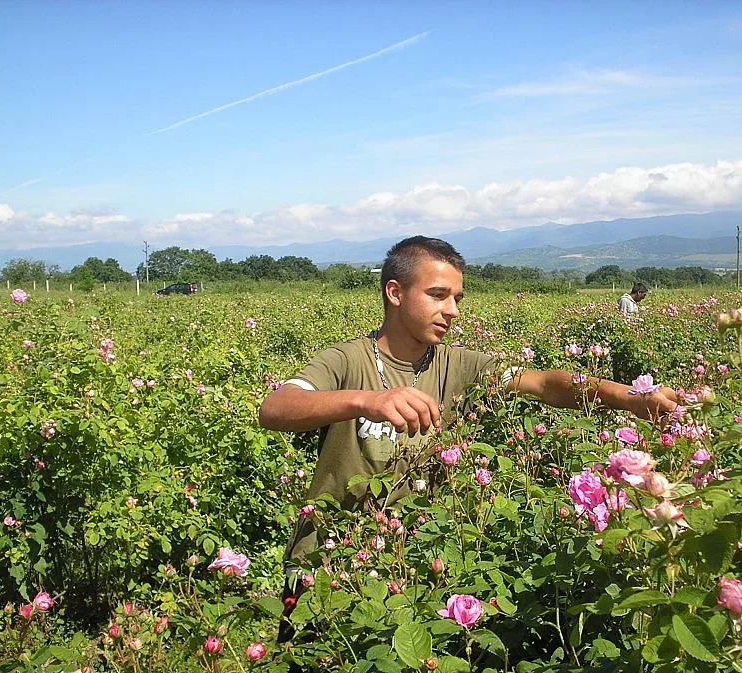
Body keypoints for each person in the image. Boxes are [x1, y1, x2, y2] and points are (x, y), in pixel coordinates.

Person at [259, 237, 677, 636]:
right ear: (395, 292)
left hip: (413, 560)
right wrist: (365, 400)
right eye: (439, 295)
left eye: (457, 298)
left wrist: (631, 398)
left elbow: (548, 384)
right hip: (326, 561)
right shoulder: (347, 360)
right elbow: (276, 408)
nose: (453, 310)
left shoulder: (459, 365)